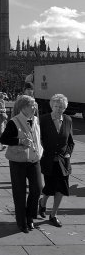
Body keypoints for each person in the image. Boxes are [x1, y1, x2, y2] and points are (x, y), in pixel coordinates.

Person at [0, 95, 43, 233]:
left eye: (35, 105)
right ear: (24, 107)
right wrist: (20, 141)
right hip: (18, 161)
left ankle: (30, 217)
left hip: (34, 160)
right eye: (32, 105)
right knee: (19, 192)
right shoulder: (14, 121)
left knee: (37, 189)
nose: (34, 107)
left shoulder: (35, 119)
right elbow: (4, 138)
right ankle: (22, 222)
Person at [38, 94, 75, 227]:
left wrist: (68, 154)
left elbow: (70, 142)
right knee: (49, 188)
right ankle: (42, 202)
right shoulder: (43, 120)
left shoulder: (68, 120)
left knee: (62, 188)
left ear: (65, 108)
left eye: (61, 107)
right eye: (56, 106)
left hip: (63, 161)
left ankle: (53, 215)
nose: (59, 109)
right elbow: (39, 139)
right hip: (48, 160)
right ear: (52, 106)